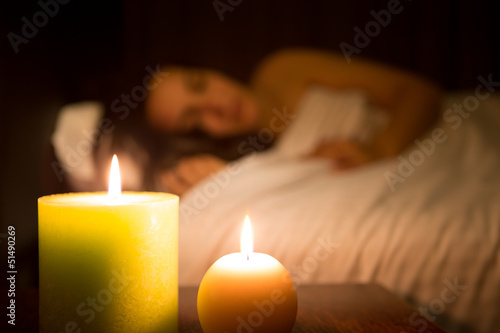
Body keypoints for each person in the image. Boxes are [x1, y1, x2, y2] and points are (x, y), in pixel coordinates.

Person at [146, 48, 442, 195]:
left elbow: (420, 93)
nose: (216, 105)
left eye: (200, 84)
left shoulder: (280, 71)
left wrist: (380, 149)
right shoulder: (250, 168)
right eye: (194, 118)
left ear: (209, 69)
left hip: (442, 138)